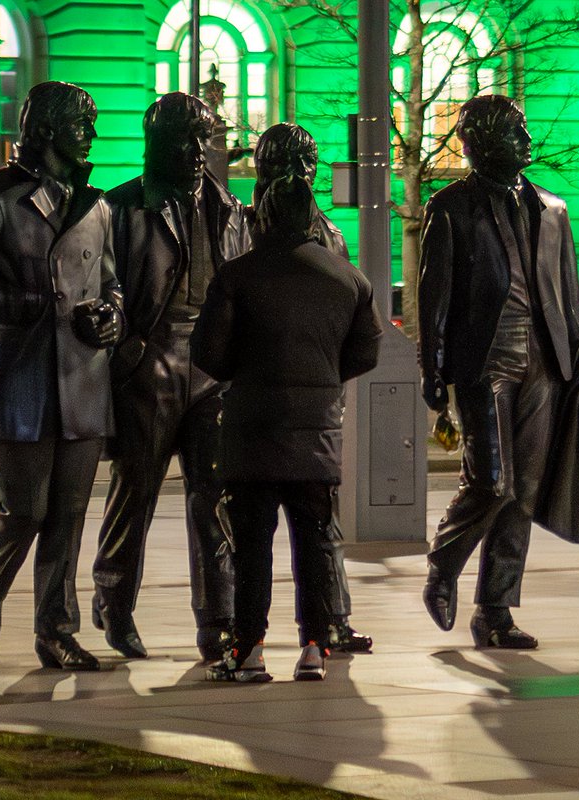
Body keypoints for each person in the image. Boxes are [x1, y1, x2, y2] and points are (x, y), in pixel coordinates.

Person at [0, 80, 122, 671]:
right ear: (45, 129)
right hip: (23, 378)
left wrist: (112, 318)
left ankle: (56, 632)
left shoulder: (97, 206)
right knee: (24, 511)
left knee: (67, 517)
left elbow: (112, 285)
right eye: (79, 123)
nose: (91, 133)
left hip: (84, 380)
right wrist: (29, 303)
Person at [417, 94, 579, 650]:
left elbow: (571, 299)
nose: (528, 140)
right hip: (482, 362)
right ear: (486, 142)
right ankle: (444, 564)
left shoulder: (554, 210)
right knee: (491, 481)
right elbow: (433, 299)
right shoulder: (449, 207)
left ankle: (495, 611)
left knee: (523, 494)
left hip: (544, 363)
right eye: (517, 131)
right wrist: (433, 371)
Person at [192, 175, 383, 682]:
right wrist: (323, 377)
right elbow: (367, 350)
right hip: (316, 430)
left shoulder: (236, 276)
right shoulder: (349, 279)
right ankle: (314, 648)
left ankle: (249, 649)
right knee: (315, 542)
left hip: (252, 428)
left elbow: (208, 354)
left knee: (252, 546)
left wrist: (248, 372)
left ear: (264, 216)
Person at [93, 92, 250, 661]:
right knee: (136, 493)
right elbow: (102, 286)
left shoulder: (231, 209)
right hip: (149, 365)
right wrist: (127, 350)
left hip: (211, 369)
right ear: (153, 142)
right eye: (180, 139)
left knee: (215, 499)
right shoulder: (120, 209)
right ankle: (114, 600)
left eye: (201, 140)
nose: (193, 151)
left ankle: (219, 618)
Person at [243, 122, 371, 655]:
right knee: (251, 530)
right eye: (279, 165)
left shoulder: (331, 236)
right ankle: (240, 631)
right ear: (260, 169)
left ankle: (329, 622)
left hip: (312, 405)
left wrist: (325, 379)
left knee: (319, 526)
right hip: (257, 402)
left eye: (303, 166)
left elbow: (353, 329)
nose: (292, 177)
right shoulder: (240, 228)